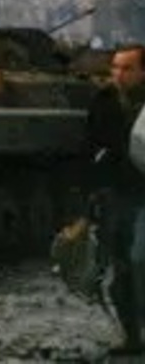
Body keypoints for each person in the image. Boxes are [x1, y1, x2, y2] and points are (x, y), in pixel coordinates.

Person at [88, 43, 145, 356]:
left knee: (140, 260)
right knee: (120, 269)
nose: (119, 74)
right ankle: (133, 337)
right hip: (117, 191)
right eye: (115, 67)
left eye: (127, 68)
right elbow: (90, 146)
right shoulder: (104, 100)